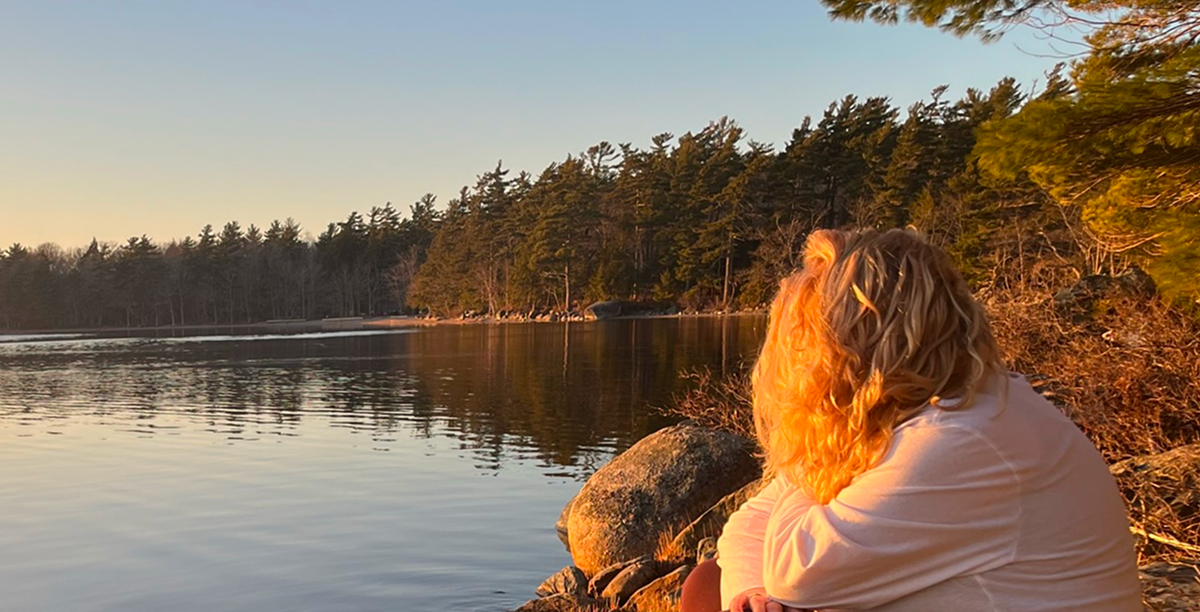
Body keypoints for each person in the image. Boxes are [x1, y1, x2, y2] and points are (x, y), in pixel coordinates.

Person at [679, 229, 1141, 612]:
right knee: (710, 582)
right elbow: (749, 521)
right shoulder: (942, 407)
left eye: (802, 341)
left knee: (717, 591)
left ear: (844, 348)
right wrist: (751, 591)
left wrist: (812, 447)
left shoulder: (962, 437)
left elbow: (797, 574)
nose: (789, 362)